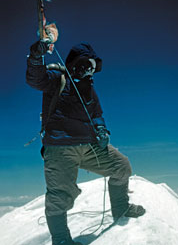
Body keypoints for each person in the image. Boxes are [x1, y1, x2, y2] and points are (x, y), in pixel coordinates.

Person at [26, 30, 145, 245]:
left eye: (92, 66)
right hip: (61, 148)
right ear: (74, 63)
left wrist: (102, 131)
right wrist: (36, 56)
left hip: (89, 146)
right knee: (60, 196)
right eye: (85, 64)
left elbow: (97, 114)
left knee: (122, 166)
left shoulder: (89, 89)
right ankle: (61, 240)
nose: (89, 70)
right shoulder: (57, 78)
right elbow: (35, 79)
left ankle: (121, 209)